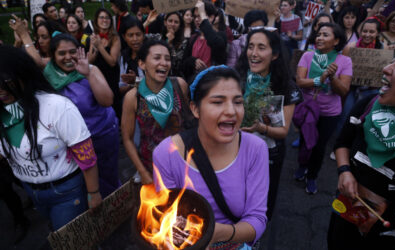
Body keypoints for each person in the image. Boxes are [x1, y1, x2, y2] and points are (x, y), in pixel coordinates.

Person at [153, 66, 269, 249]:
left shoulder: (255, 149)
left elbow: (257, 219)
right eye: (218, 102)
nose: (231, 111)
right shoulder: (167, 154)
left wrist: (219, 233)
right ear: (195, 109)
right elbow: (166, 217)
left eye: (238, 102)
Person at [0, 45, 102, 230]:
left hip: (67, 192)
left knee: (72, 242)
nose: (1, 90)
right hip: (32, 190)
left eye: (6, 81)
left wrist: (93, 193)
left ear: (22, 74)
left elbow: (87, 156)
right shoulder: (3, 111)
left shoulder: (57, 106)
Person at [327, 54, 395, 250]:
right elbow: (342, 143)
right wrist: (345, 171)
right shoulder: (368, 104)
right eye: (393, 59)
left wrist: (386, 212)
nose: (387, 68)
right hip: (346, 213)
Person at [42, 34, 121, 198]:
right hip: (72, 144)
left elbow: (107, 101)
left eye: (72, 52)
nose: (68, 57)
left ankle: (115, 209)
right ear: (53, 56)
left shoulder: (91, 69)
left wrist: (88, 75)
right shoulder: (47, 78)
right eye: (62, 53)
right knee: (86, 185)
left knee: (108, 179)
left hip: (103, 135)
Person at [237, 28, 302, 220]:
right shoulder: (237, 78)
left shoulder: (285, 86)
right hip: (235, 148)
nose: (254, 53)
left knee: (262, 199)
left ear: (274, 54)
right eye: (250, 47)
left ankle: (255, 232)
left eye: (261, 47)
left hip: (268, 154)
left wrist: (260, 128)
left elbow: (283, 132)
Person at [294, 23, 352, 194]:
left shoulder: (345, 61)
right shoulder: (307, 56)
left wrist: (332, 77)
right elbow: (300, 82)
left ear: (336, 41)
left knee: (319, 146)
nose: (319, 38)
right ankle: (302, 166)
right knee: (305, 141)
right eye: (318, 34)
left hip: (329, 113)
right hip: (308, 109)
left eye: (325, 35)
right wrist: (321, 78)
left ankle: (312, 176)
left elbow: (343, 91)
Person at [121, 39, 189, 185]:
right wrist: (143, 172)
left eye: (167, 59)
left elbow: (191, 122)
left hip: (184, 164)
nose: (164, 63)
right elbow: (127, 139)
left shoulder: (180, 85)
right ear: (142, 64)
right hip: (152, 167)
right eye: (157, 58)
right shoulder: (133, 97)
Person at [88, 8, 122, 120]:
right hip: (98, 77)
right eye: (101, 17)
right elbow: (90, 61)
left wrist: (100, 47)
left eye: (107, 18)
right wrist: (94, 47)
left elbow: (112, 62)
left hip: (111, 77)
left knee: (113, 107)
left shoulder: (115, 38)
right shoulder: (94, 37)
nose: (105, 20)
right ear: (96, 20)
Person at [182, 0, 227, 82]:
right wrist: (193, 61)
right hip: (194, 83)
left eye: (200, 16)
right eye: (195, 16)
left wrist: (203, 16)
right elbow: (184, 63)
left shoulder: (220, 35)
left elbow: (216, 43)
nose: (196, 20)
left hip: (213, 82)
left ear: (211, 17)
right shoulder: (193, 38)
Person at [119, 17, 146, 96]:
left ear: (143, 35)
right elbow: (121, 88)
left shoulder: (150, 54)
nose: (135, 39)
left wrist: (135, 81)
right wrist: (132, 84)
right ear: (124, 37)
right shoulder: (124, 56)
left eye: (138, 35)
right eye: (130, 35)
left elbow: (155, 84)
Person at [162, 12, 187, 77]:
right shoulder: (157, 38)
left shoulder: (183, 42)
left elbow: (177, 65)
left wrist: (170, 44)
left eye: (176, 22)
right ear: (165, 22)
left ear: (179, 25)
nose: (173, 24)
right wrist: (148, 21)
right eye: (170, 21)